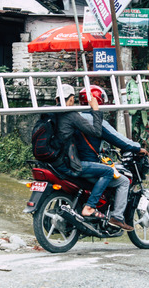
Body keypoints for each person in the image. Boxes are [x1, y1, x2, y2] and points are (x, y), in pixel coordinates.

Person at [74, 85, 149, 231]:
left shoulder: (72, 117)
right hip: (88, 165)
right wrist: (138, 148)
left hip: (71, 163)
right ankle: (117, 217)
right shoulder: (97, 121)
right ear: (98, 101)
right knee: (122, 181)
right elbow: (119, 140)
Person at [54, 84, 114, 219]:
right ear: (70, 99)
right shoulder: (71, 116)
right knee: (108, 171)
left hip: (51, 163)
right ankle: (90, 207)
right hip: (67, 164)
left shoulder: (49, 113)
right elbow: (97, 132)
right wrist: (96, 110)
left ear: (56, 99)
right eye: (72, 100)